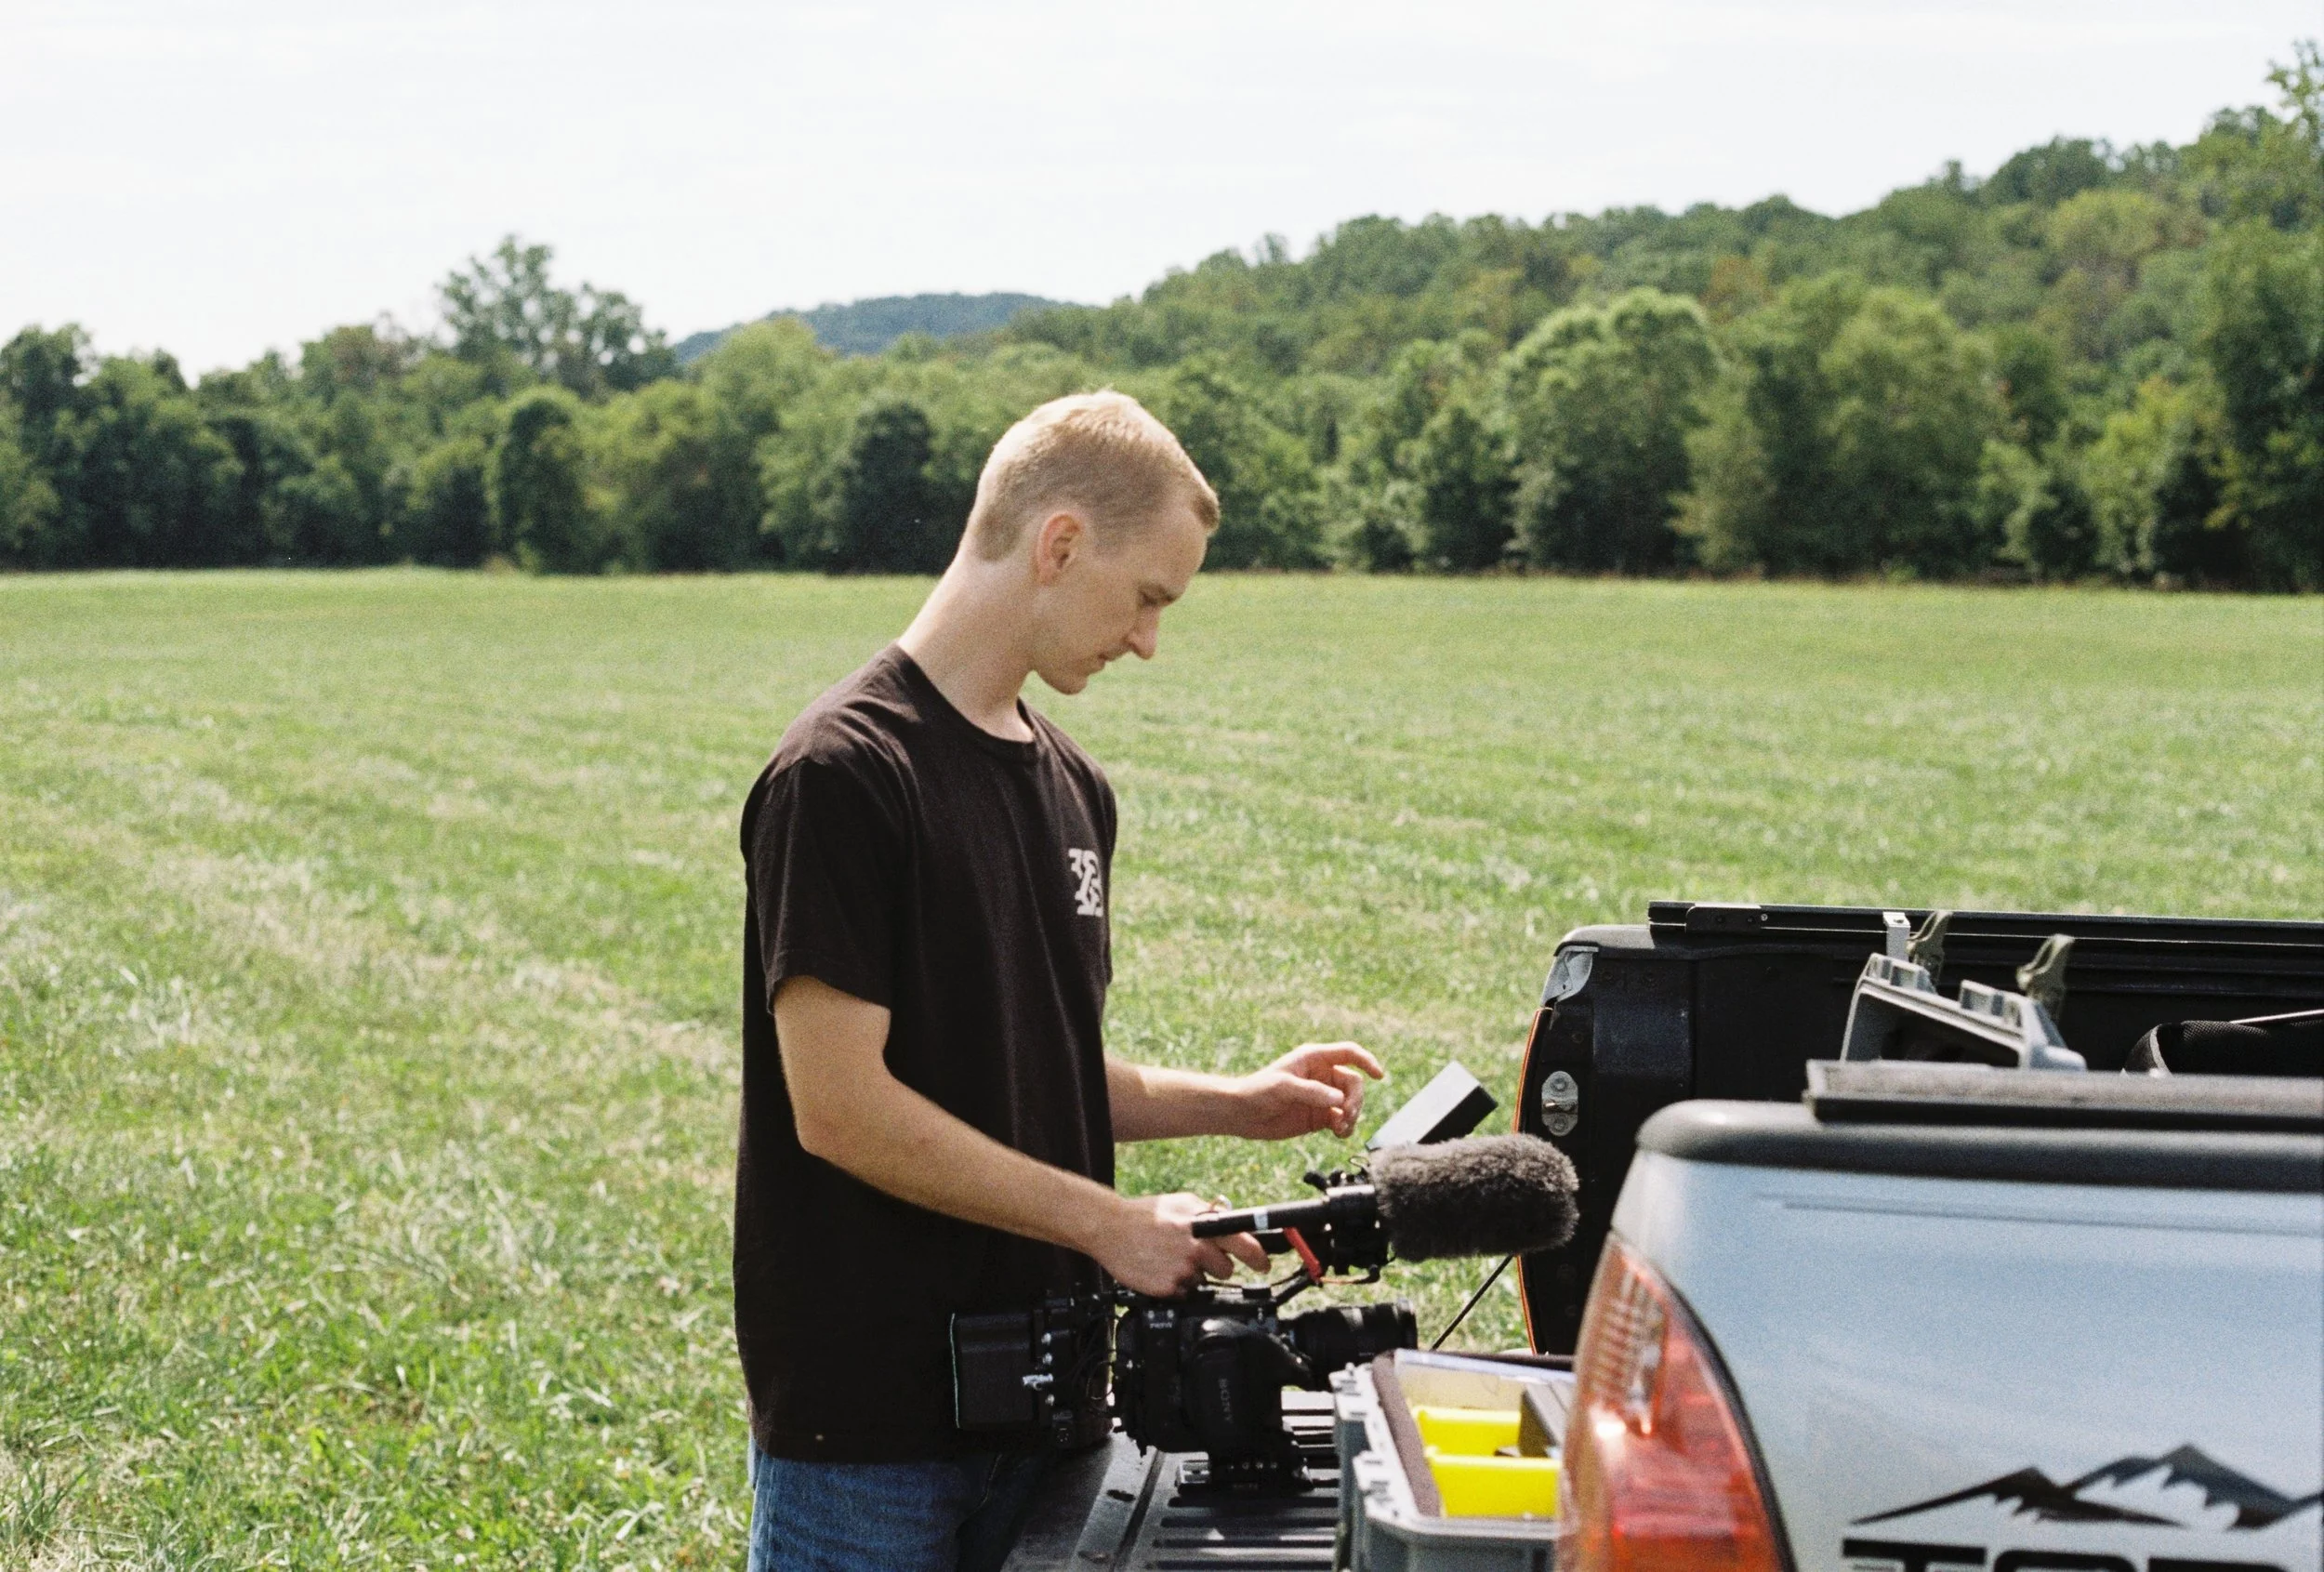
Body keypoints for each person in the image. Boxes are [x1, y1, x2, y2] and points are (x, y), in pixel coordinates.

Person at [734, 390, 1385, 1572]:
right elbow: (838, 1107)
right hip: (871, 1433)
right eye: (1148, 598)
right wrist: (1112, 1223)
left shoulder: (1075, 788)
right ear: (1061, 543)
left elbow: (1023, 1065)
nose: (1148, 640)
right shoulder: (843, 772)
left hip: (1053, 1412)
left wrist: (1232, 1101)